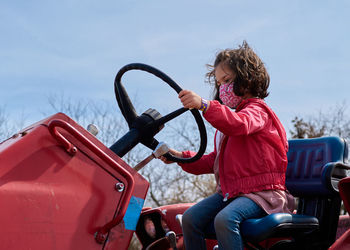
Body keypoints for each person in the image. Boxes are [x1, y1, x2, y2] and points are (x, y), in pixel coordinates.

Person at [160, 41, 294, 250]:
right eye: (219, 83)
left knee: (225, 219)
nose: (223, 88)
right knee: (190, 219)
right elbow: (213, 161)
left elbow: (239, 125)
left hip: (263, 194)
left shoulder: (258, 112)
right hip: (233, 193)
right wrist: (180, 157)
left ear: (247, 79)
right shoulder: (226, 129)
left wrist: (204, 105)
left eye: (228, 80)